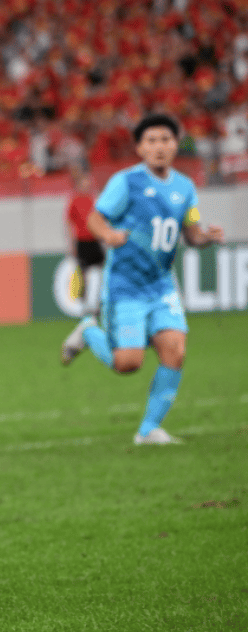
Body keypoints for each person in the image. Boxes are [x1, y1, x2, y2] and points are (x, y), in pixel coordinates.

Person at [60, 113, 225, 445]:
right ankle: (88, 330)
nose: (159, 147)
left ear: (176, 144)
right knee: (128, 364)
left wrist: (205, 238)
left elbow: (191, 233)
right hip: (125, 287)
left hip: (162, 286)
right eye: (151, 141)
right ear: (139, 148)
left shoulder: (185, 188)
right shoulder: (126, 182)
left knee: (175, 351)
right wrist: (108, 234)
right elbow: (95, 219)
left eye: (165, 139)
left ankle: (149, 430)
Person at [65, 170, 104, 316]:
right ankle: (85, 305)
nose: (87, 184)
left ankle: (98, 302)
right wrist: (71, 244)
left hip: (95, 241)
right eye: (85, 181)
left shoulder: (94, 199)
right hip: (82, 242)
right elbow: (69, 224)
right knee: (84, 274)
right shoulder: (74, 201)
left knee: (101, 272)